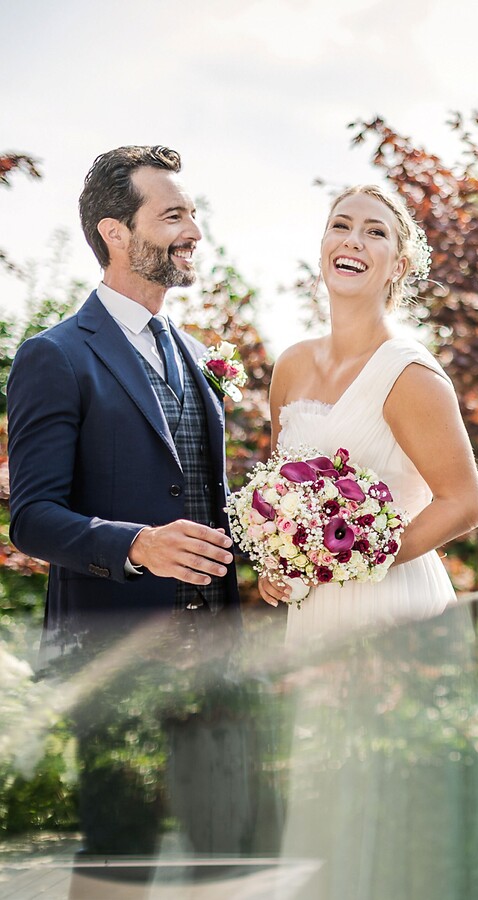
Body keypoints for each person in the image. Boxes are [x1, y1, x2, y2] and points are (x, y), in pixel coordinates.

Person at [7, 145, 240, 651]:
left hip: (220, 655)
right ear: (115, 232)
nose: (195, 234)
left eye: (193, 216)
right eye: (173, 217)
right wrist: (139, 545)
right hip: (107, 655)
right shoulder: (54, 355)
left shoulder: (201, 355)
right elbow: (31, 519)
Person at [258, 184, 478, 636]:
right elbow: (277, 490)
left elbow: (465, 503)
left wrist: (357, 554)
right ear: (324, 248)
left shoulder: (410, 373)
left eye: (374, 232)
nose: (352, 239)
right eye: (339, 226)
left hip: (392, 605)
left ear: (398, 266)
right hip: (313, 608)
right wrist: (278, 559)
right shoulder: (291, 365)